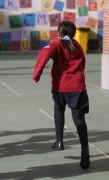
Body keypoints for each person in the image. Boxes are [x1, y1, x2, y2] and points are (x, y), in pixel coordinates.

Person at [33, 20, 90, 169]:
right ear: (73, 33)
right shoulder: (77, 46)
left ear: (59, 33)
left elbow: (44, 54)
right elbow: (82, 63)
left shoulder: (56, 44)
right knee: (79, 120)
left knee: (59, 109)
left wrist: (37, 73)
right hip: (77, 87)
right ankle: (85, 148)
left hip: (60, 87)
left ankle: (59, 141)